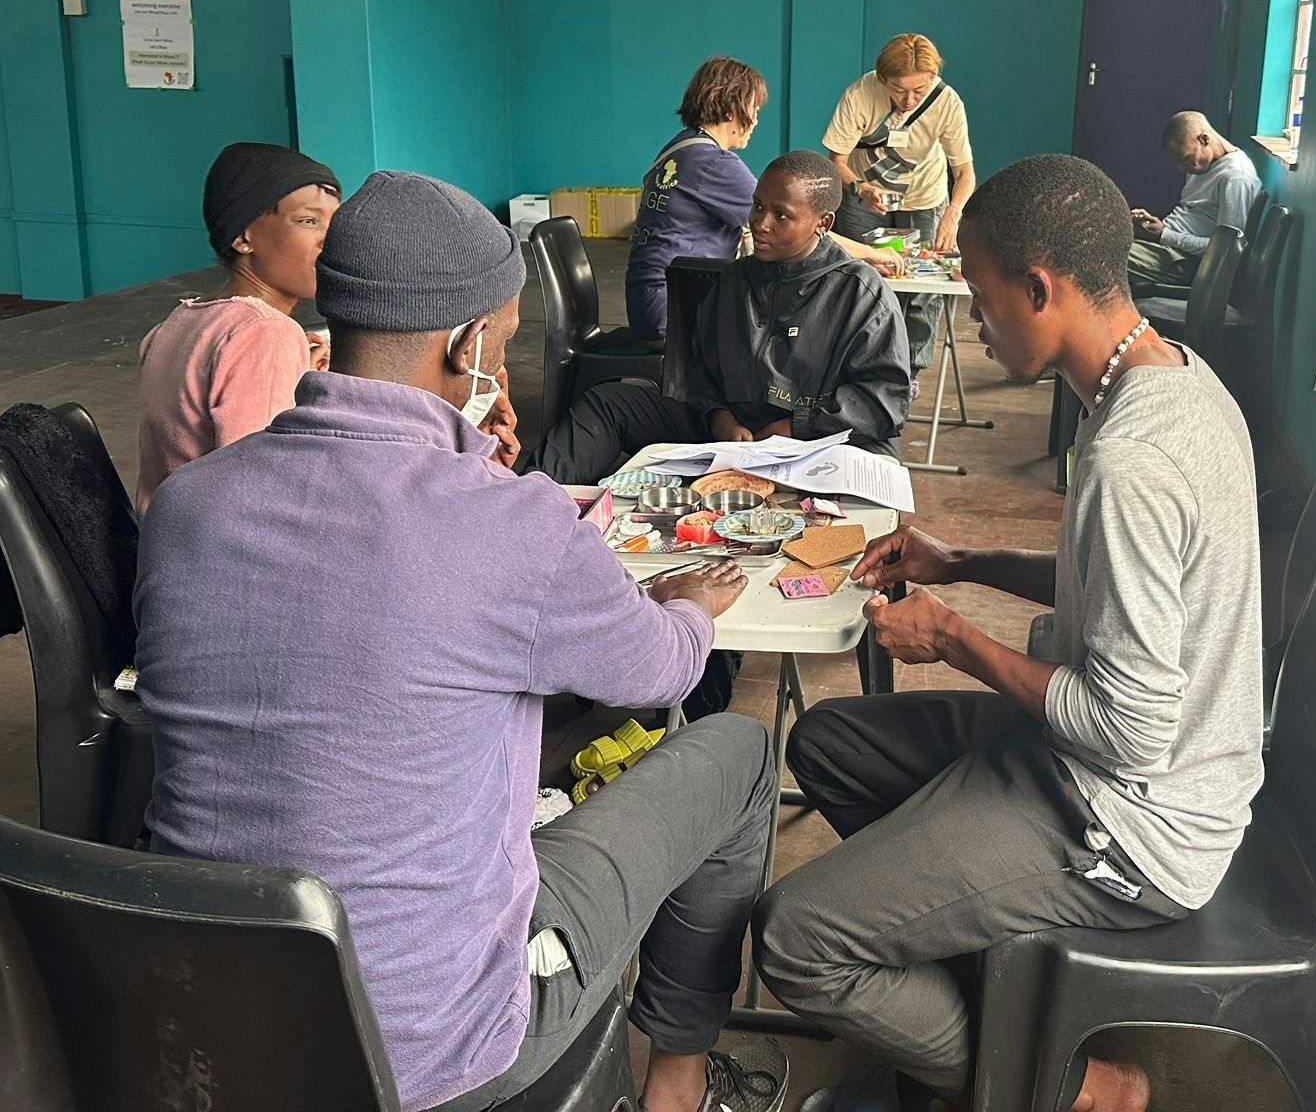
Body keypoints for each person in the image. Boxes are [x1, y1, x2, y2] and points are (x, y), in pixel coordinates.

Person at [133, 170, 789, 1112]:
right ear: (468, 344)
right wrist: (689, 606)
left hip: (204, 1026)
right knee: (740, 753)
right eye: (507, 342)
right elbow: (662, 670)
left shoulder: (190, 507)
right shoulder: (508, 523)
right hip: (428, 1041)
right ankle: (678, 1086)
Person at [752, 154, 1263, 1112]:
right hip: (1105, 763)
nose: (977, 326)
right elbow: (1116, 585)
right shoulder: (1175, 381)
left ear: (1039, 288)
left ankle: (1078, 1088)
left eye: (982, 300)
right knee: (828, 743)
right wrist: (961, 562)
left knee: (794, 937)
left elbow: (1129, 730)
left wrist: (953, 639)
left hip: (1133, 821)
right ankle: (980, 990)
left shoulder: (1133, 458)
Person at [533, 150, 911, 485]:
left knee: (873, 472)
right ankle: (524, 504)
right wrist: (718, 416)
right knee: (608, 404)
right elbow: (697, 370)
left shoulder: (861, 294)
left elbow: (883, 400)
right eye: (758, 206)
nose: (761, 223)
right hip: (732, 436)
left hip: (817, 444)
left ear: (823, 224)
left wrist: (794, 427)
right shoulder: (735, 280)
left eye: (781, 215)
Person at [135, 141, 340, 512]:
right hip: (222, 543)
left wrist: (294, 381)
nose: (332, 239)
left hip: (167, 535)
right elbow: (261, 485)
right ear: (243, 238)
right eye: (308, 221)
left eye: (334, 222)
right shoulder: (267, 333)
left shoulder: (176, 324)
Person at [822, 34, 974, 373]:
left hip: (924, 198)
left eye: (919, 90)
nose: (909, 100)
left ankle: (910, 372)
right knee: (863, 278)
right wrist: (861, 188)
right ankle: (860, 366)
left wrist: (952, 214)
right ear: (883, 78)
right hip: (864, 198)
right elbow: (836, 160)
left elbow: (965, 173)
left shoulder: (947, 102)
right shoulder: (860, 95)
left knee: (923, 290)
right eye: (899, 89)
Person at [625, 57, 768, 345]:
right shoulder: (713, 162)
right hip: (674, 315)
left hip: (649, 302)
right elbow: (790, 223)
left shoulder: (682, 145)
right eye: (753, 109)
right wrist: (862, 253)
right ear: (731, 109)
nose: (755, 120)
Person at [1126, 110, 1263, 294]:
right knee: (1098, 241)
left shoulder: (1235, 177)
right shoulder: (1203, 164)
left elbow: (1226, 250)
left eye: (1185, 159)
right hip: (1168, 246)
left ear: (1204, 140)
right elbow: (1191, 216)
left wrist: (1164, 235)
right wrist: (1152, 228)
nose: (1181, 169)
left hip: (1184, 261)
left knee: (1098, 258)